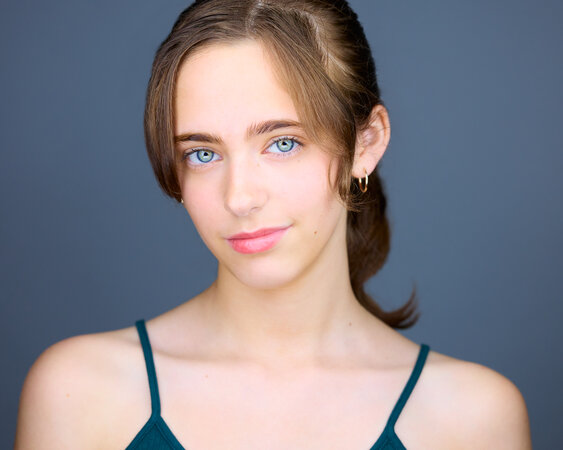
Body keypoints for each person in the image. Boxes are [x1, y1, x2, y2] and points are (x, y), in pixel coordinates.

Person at [15, 1, 532, 448]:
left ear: (367, 142)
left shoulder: (472, 420)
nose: (239, 198)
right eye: (202, 153)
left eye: (282, 143)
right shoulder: (80, 392)